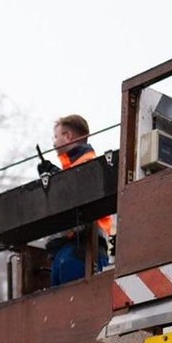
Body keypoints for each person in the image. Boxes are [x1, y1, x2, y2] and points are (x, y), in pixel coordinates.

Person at [41, 114, 114, 285]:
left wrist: (57, 182)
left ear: (68, 136)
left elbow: (78, 203)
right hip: (70, 252)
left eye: (56, 136)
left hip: (83, 251)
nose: (54, 142)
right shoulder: (74, 169)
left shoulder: (88, 165)